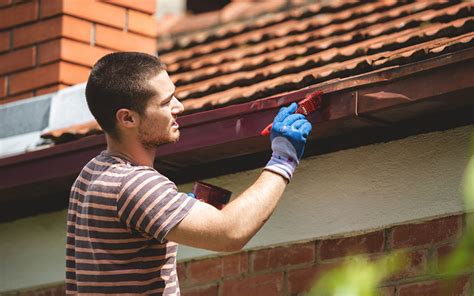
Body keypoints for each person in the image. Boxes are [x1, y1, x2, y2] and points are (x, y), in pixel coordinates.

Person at [66, 52, 312, 295]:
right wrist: (283, 159)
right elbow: (230, 233)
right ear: (128, 118)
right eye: (165, 102)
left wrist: (173, 208)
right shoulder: (135, 184)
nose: (179, 107)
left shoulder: (90, 175)